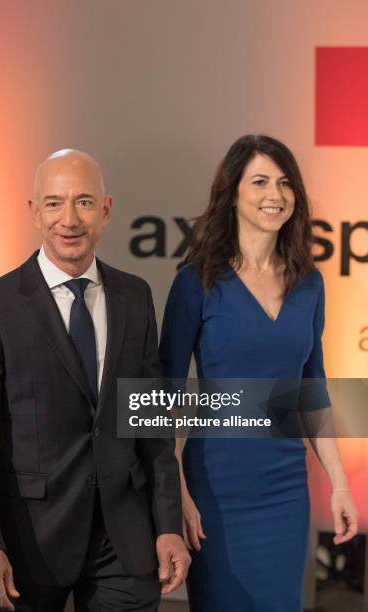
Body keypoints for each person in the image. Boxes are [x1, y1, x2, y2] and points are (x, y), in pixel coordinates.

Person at [0, 149, 190, 612]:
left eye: (84, 202)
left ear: (107, 210)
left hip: (125, 540)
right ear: (34, 212)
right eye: (54, 203)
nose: (70, 219)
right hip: (27, 543)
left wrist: (168, 524)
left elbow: (152, 426)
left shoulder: (135, 297)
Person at [159, 135, 358, 612]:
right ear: (232, 193)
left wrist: (339, 483)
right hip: (214, 488)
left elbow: (313, 391)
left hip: (286, 489)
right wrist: (177, 490)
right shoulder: (195, 281)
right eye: (261, 182)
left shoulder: (310, 282)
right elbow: (168, 390)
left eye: (285, 182)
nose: (276, 194)